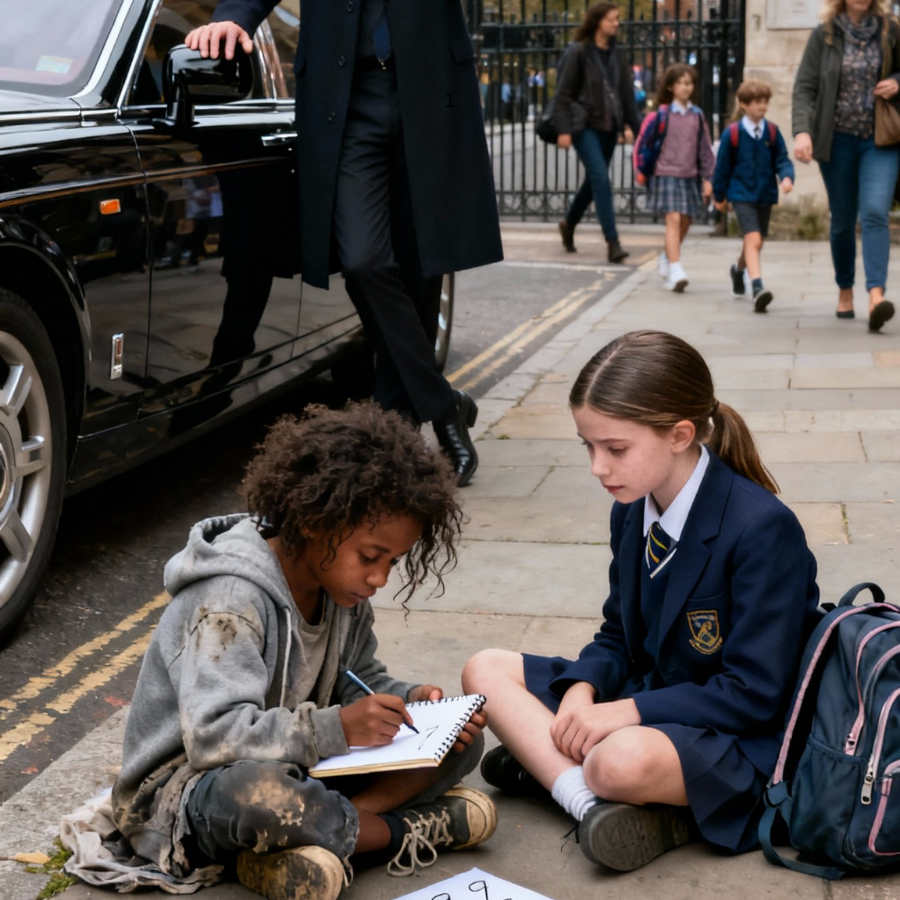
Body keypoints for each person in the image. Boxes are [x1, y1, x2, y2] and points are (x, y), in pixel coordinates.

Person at [463, 330, 821, 873]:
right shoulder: (632, 507)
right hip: (652, 696)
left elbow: (755, 694)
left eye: (615, 449)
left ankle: (568, 778)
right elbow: (617, 635)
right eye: (588, 445)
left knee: (617, 762)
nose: (597, 468)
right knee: (483, 670)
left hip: (739, 735)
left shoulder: (763, 528)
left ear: (679, 434)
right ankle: (587, 802)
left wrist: (624, 713)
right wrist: (584, 690)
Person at [111, 402, 495, 900]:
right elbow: (213, 736)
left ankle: (316, 839)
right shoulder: (229, 598)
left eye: (393, 562)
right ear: (317, 521)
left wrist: (411, 700)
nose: (379, 578)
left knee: (461, 742)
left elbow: (358, 679)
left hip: (301, 765)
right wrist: (337, 727)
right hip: (187, 794)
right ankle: (401, 832)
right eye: (370, 557)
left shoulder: (341, 589)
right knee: (260, 796)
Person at [186, 1, 505, 487]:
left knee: (422, 263)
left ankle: (394, 441)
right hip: (345, 97)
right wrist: (234, 13)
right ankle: (444, 406)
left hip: (431, 85)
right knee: (363, 260)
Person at [793, 0, 900, 332]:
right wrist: (802, 131)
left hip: (879, 139)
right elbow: (804, 88)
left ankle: (876, 295)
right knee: (842, 221)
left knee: (873, 212)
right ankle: (845, 289)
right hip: (836, 140)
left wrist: (898, 80)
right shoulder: (824, 35)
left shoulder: (891, 29)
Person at [554, 2, 642, 262]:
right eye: (612, 19)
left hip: (608, 127)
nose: (617, 24)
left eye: (617, 19)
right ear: (597, 21)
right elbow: (563, 94)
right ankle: (612, 242)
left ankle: (568, 223)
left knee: (594, 183)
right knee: (601, 179)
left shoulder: (617, 54)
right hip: (584, 126)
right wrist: (564, 130)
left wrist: (640, 132)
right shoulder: (578, 51)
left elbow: (626, 97)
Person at [713, 79, 795, 313]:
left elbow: (782, 159)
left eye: (765, 102)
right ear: (743, 104)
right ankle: (757, 287)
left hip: (765, 194)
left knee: (755, 242)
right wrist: (719, 195)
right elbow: (723, 167)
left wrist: (787, 177)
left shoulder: (771, 131)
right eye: (757, 102)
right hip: (740, 194)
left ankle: (738, 271)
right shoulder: (734, 133)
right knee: (754, 239)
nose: (762, 107)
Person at [644, 65, 715, 292]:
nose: (687, 87)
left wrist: (708, 178)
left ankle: (666, 257)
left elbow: (705, 149)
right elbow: (646, 144)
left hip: (689, 175)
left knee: (686, 221)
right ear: (671, 86)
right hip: (665, 173)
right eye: (682, 83)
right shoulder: (662, 114)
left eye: (690, 83)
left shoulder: (697, 115)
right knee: (673, 220)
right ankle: (675, 269)